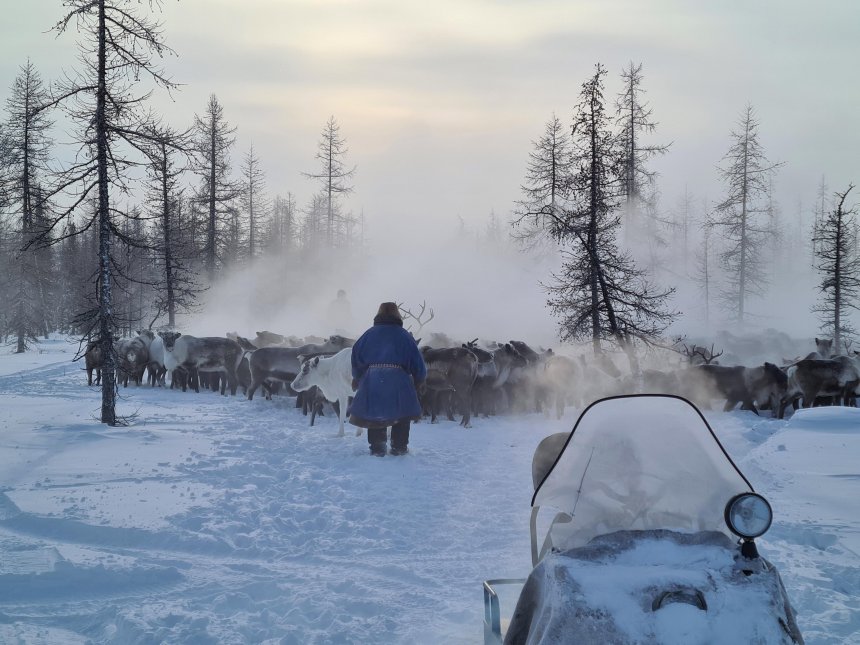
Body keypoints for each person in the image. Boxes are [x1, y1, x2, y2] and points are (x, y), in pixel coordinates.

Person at [349, 302, 427, 456]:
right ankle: (399, 447)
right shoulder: (404, 336)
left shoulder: (368, 335)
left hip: (373, 381)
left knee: (375, 413)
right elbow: (417, 361)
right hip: (399, 381)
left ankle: (377, 448)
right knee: (401, 413)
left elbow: (356, 356)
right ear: (397, 315)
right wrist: (419, 379)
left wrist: (357, 377)